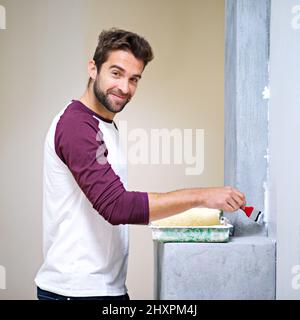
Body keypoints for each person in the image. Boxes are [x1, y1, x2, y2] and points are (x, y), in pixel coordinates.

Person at [34, 28, 246, 300]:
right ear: (93, 68)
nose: (125, 88)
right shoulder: (77, 125)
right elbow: (116, 206)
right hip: (76, 290)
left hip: (101, 288)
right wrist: (203, 196)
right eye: (116, 73)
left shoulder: (104, 124)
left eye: (134, 79)